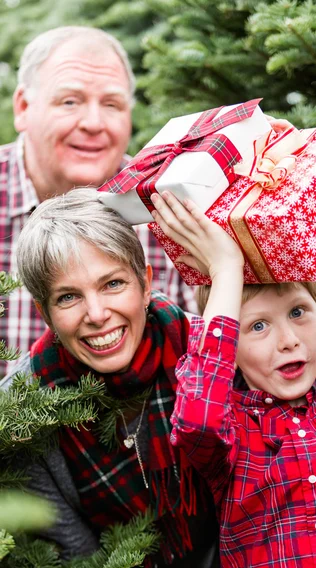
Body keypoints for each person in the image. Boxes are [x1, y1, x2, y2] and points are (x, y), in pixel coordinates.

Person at [150, 176, 316, 568]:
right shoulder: (230, 429)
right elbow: (195, 422)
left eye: (298, 312)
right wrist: (225, 272)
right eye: (259, 326)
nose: (288, 340)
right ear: (229, 340)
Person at [0, 187, 225, 568]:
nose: (97, 314)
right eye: (68, 297)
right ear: (44, 313)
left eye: (113, 284)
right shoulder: (24, 412)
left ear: (145, 282)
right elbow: (75, 558)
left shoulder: (208, 349)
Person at [0, 25, 197, 379]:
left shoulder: (166, 205)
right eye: (70, 101)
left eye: (112, 104)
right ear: (24, 106)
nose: (93, 123)